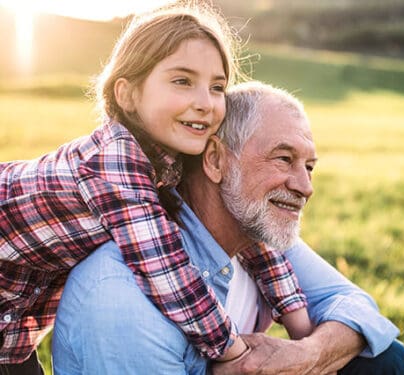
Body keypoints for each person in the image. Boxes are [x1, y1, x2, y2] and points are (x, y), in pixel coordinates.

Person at [0, 4, 312, 373]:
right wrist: (234, 354)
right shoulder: (113, 163)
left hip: (16, 320)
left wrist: (302, 332)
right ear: (128, 94)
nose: (204, 103)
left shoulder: (170, 158)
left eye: (216, 87)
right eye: (182, 81)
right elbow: (167, 272)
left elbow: (253, 239)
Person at [53, 81, 404, 374]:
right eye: (284, 158)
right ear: (214, 160)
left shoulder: (257, 237)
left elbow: (361, 309)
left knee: (387, 361)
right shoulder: (122, 297)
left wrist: (306, 355)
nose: (306, 186)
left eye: (309, 167)